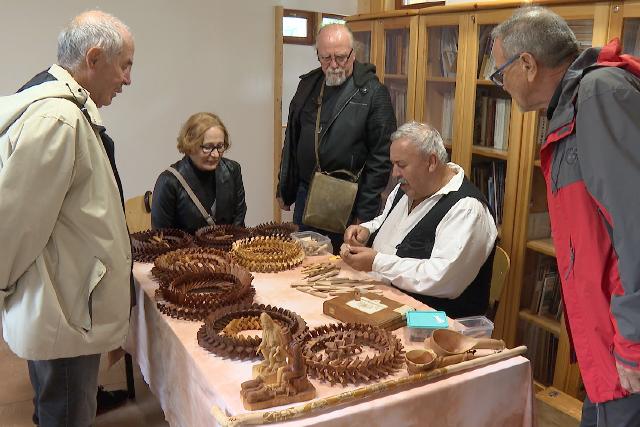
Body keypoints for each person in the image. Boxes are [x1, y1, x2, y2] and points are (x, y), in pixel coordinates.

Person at [491, 6, 640, 425]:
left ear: (527, 64)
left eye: (499, 72)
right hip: (604, 335)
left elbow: (636, 227)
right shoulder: (576, 102)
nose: (500, 84)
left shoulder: (601, 95)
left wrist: (634, 342)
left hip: (623, 339)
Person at [0, 10, 135, 427]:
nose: (128, 79)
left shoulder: (66, 110)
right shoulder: (57, 120)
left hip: (65, 304)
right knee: (65, 415)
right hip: (66, 316)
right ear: (94, 58)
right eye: (125, 64)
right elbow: (14, 225)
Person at [341, 121, 497, 319]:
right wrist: (366, 230)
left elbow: (443, 278)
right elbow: (389, 221)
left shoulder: (467, 209)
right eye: (393, 164)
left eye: (401, 165)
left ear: (431, 162)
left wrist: (377, 262)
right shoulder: (407, 188)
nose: (395, 173)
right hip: (387, 301)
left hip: (437, 324)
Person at [277, 23, 396, 251]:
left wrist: (365, 214)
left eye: (341, 57)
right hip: (307, 193)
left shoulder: (373, 93)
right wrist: (284, 187)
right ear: (318, 55)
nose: (333, 65)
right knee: (304, 263)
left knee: (342, 268)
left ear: (353, 54)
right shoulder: (308, 85)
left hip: (350, 200)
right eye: (326, 58)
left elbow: (381, 158)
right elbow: (292, 138)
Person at [151, 112, 247, 234]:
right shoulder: (169, 182)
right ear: (190, 145)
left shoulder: (233, 170)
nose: (216, 154)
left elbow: (238, 223)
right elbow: (161, 239)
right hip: (184, 253)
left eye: (220, 146)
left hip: (228, 250)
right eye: (207, 147)